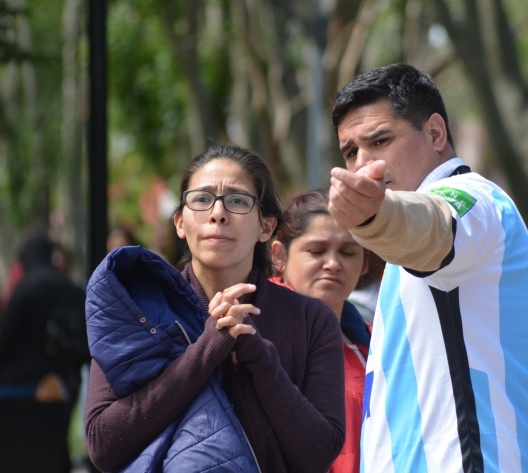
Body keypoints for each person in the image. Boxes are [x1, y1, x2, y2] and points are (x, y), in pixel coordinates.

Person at [327, 63, 528, 472]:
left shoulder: (473, 197)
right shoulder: (401, 245)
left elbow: (436, 227)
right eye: (351, 152)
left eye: (380, 140)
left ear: (436, 133)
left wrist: (374, 217)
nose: (363, 165)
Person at [84, 143, 345, 472]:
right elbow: (102, 445)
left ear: (266, 227)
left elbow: (319, 454)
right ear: (180, 223)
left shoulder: (310, 319)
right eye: (202, 199)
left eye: (237, 200)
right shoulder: (139, 310)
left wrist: (259, 357)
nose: (218, 213)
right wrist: (207, 349)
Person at [272, 188, 371, 473]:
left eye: (348, 252)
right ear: (279, 255)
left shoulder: (378, 342)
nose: (332, 264)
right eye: (316, 251)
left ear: (365, 261)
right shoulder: (255, 332)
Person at [0, 232, 89, 473]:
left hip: (23, 390)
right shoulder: (70, 289)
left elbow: (6, 340)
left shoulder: (24, 289)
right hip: (64, 383)